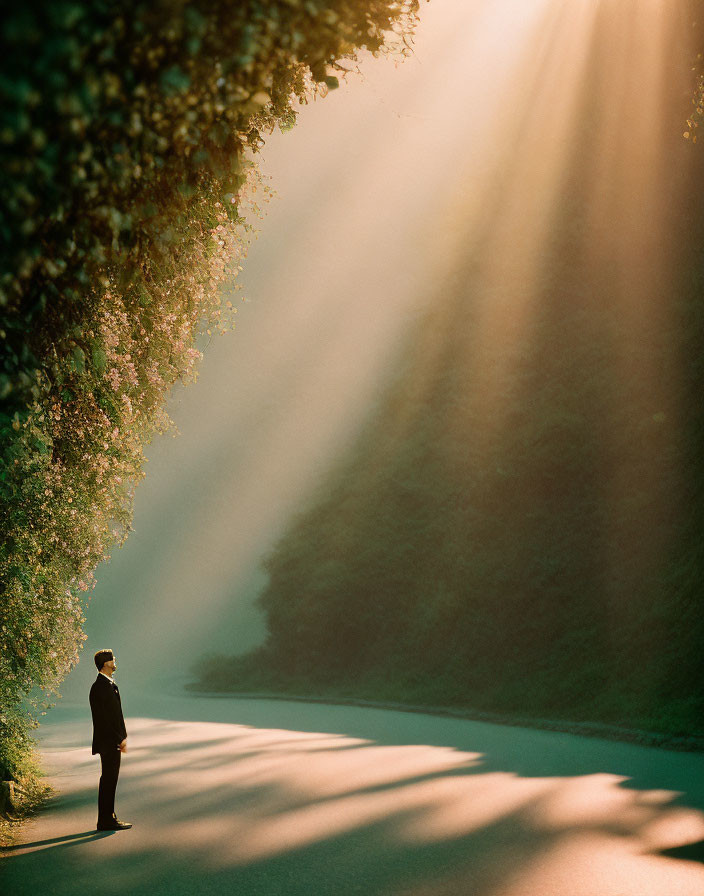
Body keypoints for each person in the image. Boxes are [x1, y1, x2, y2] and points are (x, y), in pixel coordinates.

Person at [89, 648, 132, 831]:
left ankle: (108, 817)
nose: (115, 661)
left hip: (110, 741)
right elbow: (107, 718)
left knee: (109, 780)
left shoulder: (106, 685)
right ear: (106, 663)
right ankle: (106, 820)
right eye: (113, 659)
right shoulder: (102, 687)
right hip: (109, 742)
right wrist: (119, 739)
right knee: (108, 780)